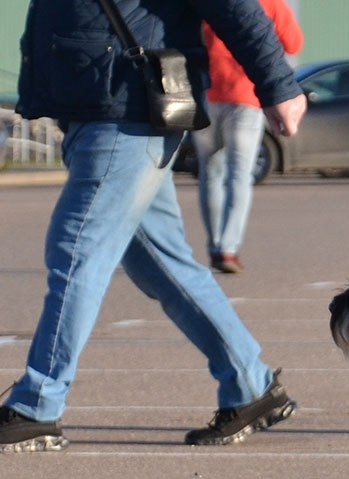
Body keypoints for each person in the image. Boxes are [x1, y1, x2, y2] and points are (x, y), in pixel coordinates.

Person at [0, 0, 307, 453]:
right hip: (97, 105)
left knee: (76, 248)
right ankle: (250, 385)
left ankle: (38, 404)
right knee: (160, 263)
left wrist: (279, 86)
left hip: (129, 110)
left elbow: (235, 6)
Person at [193, 0, 303, 274]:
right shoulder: (272, 3)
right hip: (247, 96)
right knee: (239, 175)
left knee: (210, 173)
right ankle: (228, 249)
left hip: (207, 94)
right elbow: (294, 43)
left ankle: (215, 244)